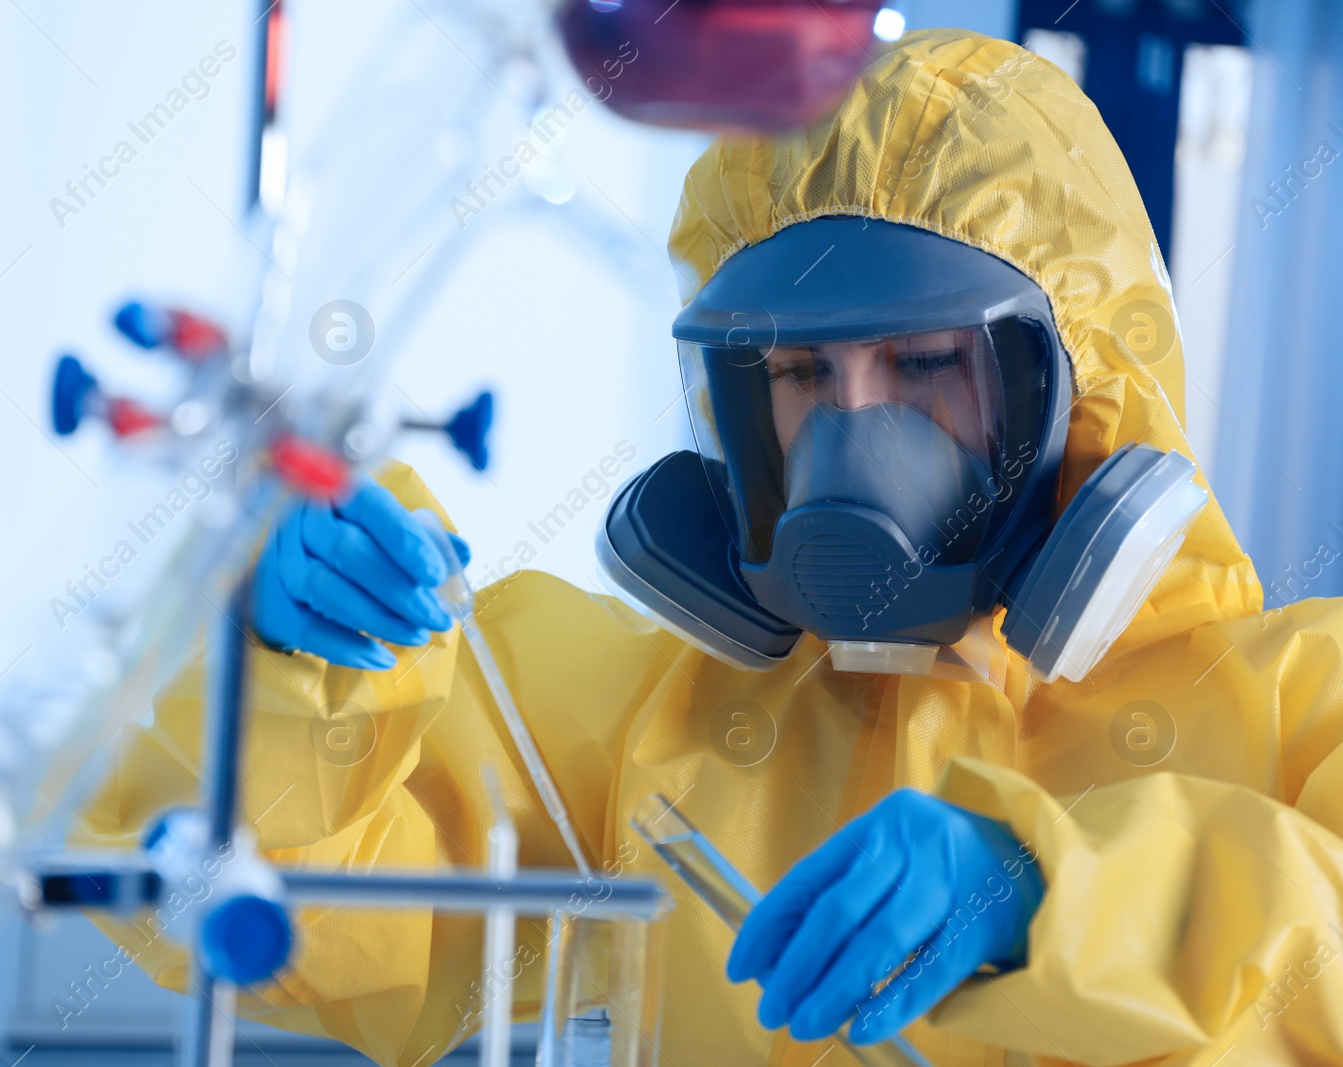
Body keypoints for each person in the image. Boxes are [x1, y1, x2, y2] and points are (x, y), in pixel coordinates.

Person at [75, 30, 1343, 1066]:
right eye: (800, 370)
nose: (854, 426)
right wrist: (295, 675)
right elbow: (272, 923)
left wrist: (1051, 899)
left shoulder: (1299, 701)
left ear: (1075, 379)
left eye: (918, 363)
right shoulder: (638, 722)